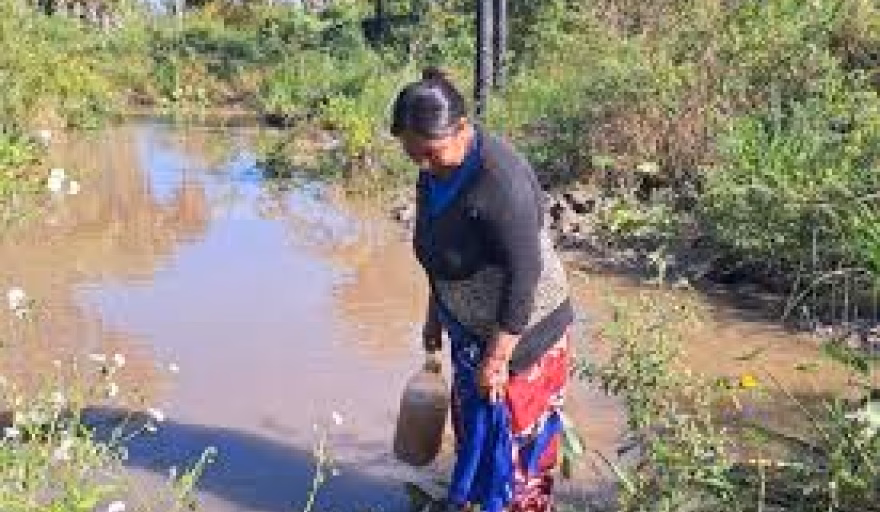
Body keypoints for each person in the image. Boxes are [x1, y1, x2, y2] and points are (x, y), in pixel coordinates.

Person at [391, 67, 575, 512]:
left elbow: (525, 271)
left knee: (517, 449)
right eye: (413, 155)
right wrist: (435, 316)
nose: (423, 165)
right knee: (474, 434)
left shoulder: (499, 181)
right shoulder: (433, 172)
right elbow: (438, 252)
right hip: (470, 331)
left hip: (523, 337)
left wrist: (498, 358)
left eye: (430, 153)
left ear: (462, 129)